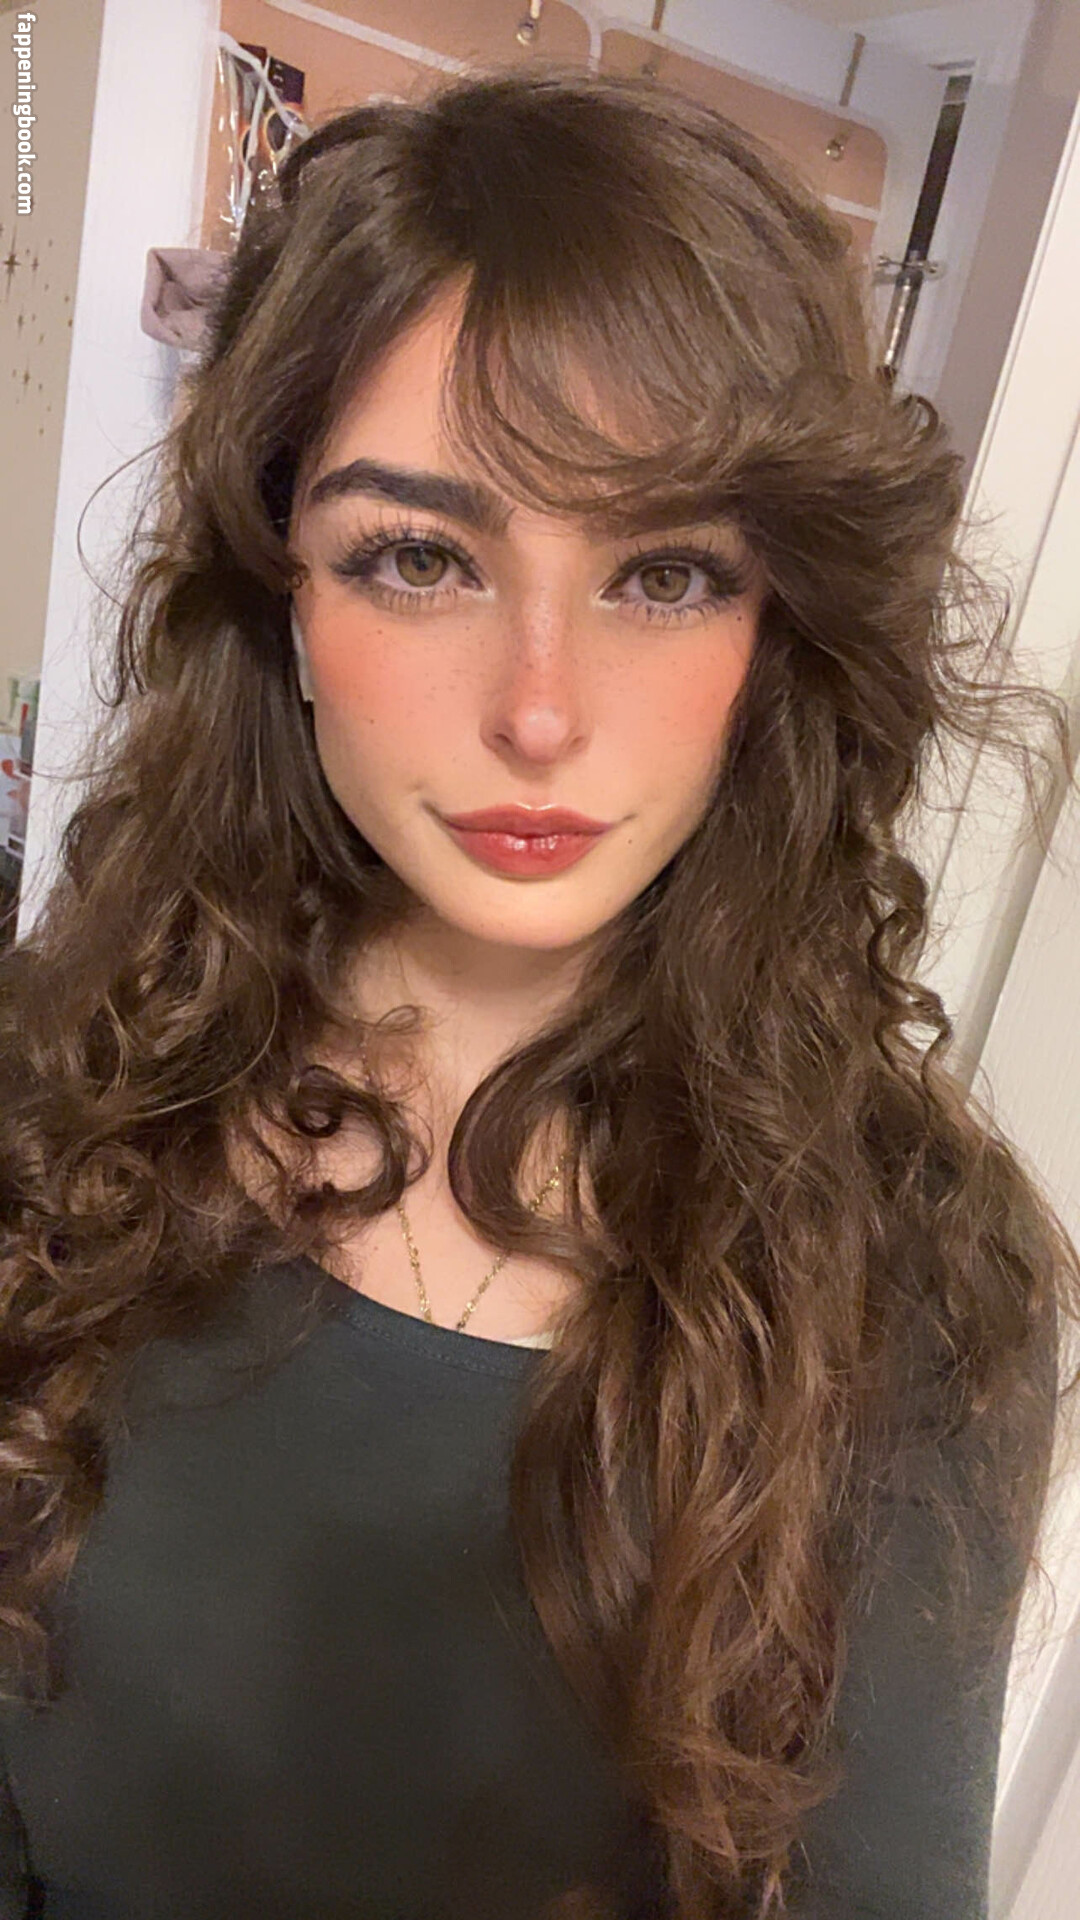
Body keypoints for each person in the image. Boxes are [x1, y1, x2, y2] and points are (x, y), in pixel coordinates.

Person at [0, 61, 1074, 1920]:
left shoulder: (912, 1279)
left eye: (664, 573)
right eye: (420, 558)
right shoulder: (48, 1103)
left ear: (777, 627)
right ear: (284, 600)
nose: (542, 710)